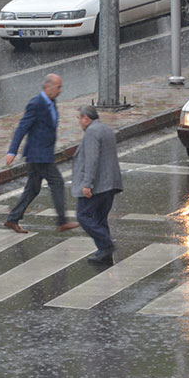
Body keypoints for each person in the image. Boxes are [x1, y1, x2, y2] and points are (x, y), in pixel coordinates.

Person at [4, 74, 79, 234]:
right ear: (48, 87)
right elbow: (22, 127)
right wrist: (12, 150)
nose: (60, 91)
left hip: (44, 152)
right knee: (57, 182)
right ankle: (61, 221)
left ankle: (12, 219)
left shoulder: (51, 102)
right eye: (58, 87)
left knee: (33, 188)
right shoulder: (36, 103)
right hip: (38, 154)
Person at [72, 105, 124, 265]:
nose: (79, 122)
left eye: (79, 119)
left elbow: (92, 159)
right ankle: (104, 253)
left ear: (86, 119)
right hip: (110, 183)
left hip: (98, 185)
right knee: (100, 219)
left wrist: (87, 184)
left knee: (83, 215)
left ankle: (106, 245)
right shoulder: (106, 129)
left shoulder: (92, 132)